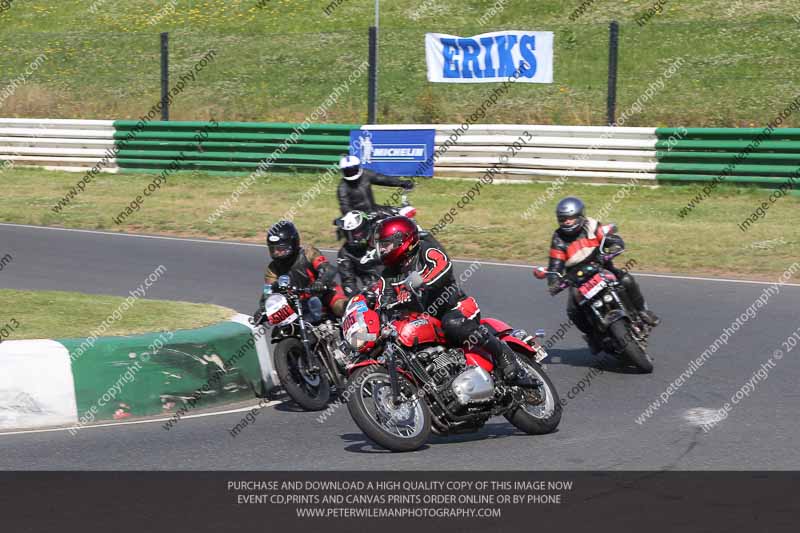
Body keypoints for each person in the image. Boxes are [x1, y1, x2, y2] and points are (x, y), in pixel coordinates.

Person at [368, 216, 535, 387]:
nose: (382, 249)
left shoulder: (425, 248)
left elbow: (443, 266)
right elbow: (383, 299)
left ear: (401, 240)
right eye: (381, 245)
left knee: (452, 324)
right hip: (426, 321)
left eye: (385, 244)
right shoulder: (388, 274)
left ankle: (503, 354)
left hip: (457, 307)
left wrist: (420, 283)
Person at [546, 197, 659, 353]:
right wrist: (554, 281)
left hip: (602, 266)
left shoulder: (592, 226)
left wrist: (613, 247)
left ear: (579, 216)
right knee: (573, 310)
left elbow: (611, 239)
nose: (567, 222)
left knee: (626, 279)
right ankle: (593, 336)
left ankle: (642, 311)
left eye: (570, 218)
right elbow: (554, 266)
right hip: (577, 280)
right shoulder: (558, 239)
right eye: (563, 219)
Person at [257, 220, 346, 321]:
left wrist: (320, 282)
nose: (276, 252)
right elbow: (268, 292)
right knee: (281, 328)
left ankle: (360, 332)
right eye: (273, 249)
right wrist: (263, 309)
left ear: (293, 243)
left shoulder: (308, 253)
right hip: (297, 304)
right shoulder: (272, 269)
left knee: (341, 307)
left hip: (325, 293)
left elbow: (329, 269)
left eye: (281, 249)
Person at [337, 155, 415, 216]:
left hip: (375, 209)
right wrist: (354, 216)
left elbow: (383, 179)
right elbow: (344, 206)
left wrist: (402, 183)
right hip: (359, 217)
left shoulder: (366, 174)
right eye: (348, 171)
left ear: (358, 167)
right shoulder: (342, 187)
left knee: (402, 213)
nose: (351, 173)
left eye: (353, 170)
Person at [335, 210, 381, 298]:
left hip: (399, 279)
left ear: (365, 228)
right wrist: (361, 297)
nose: (352, 238)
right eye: (348, 234)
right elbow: (348, 282)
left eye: (356, 233)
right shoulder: (345, 253)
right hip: (375, 291)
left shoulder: (381, 236)